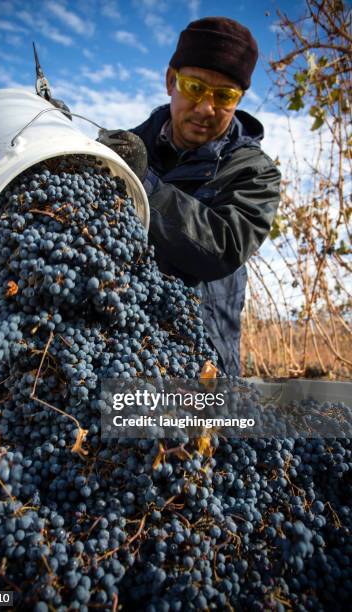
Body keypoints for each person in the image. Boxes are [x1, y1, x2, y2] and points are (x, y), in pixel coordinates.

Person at [98, 17, 281, 376]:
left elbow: (223, 247)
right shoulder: (126, 152)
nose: (205, 109)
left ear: (239, 99)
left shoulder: (253, 170)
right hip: (120, 356)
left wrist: (141, 184)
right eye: (194, 87)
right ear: (171, 81)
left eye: (225, 96)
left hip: (203, 361)